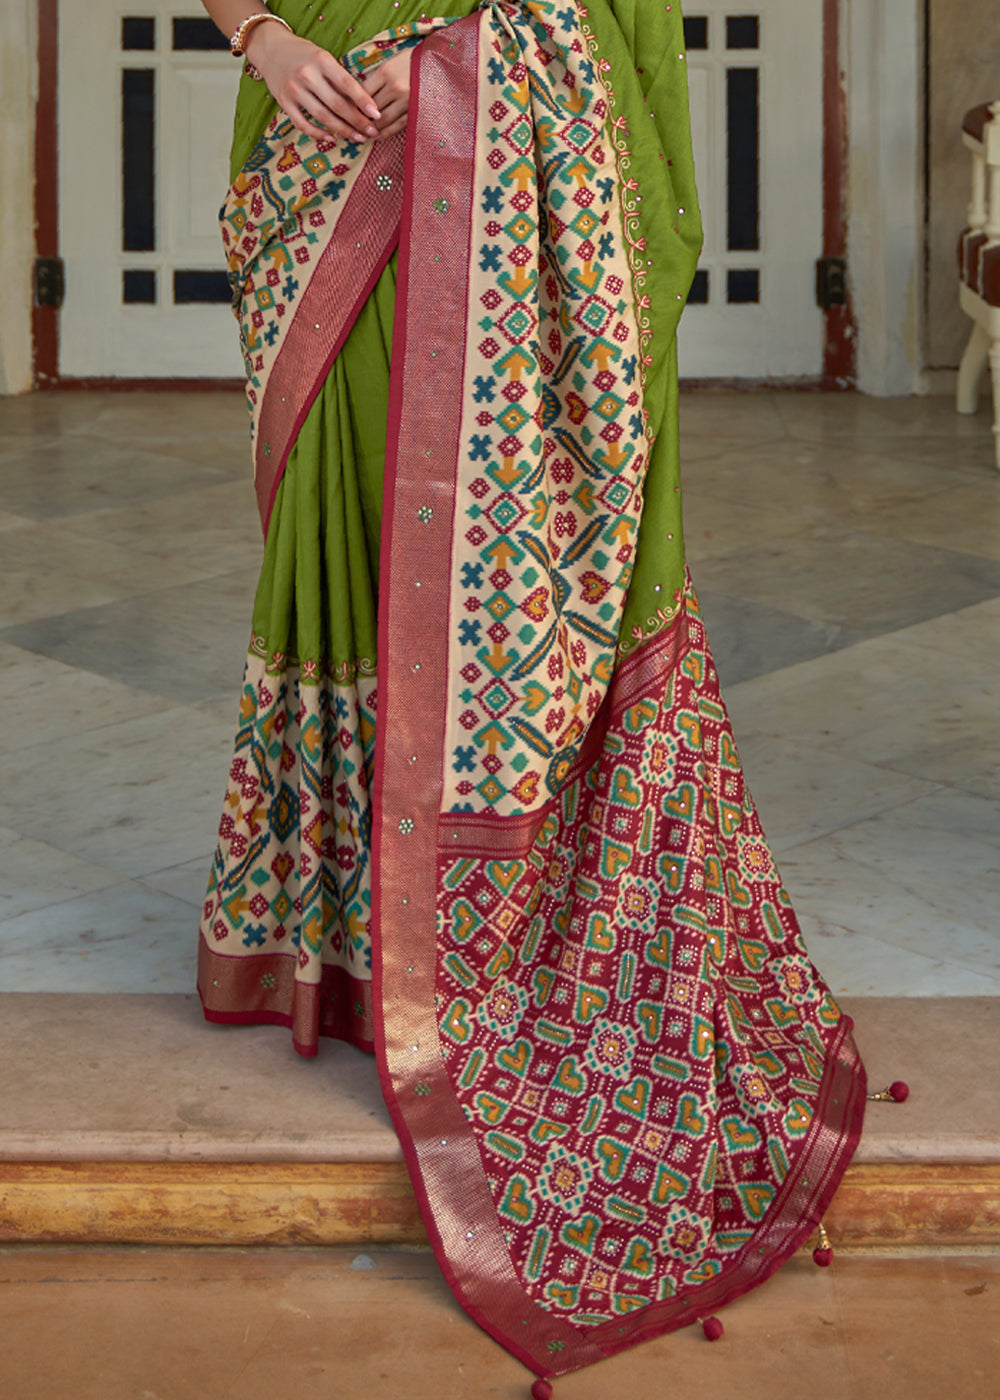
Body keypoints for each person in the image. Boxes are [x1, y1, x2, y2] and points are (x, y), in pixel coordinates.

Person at [197, 2, 868, 1390]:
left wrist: (462, 64)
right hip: (324, 148)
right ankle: (335, 931)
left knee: (499, 551)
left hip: (520, 146)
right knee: (348, 520)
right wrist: (261, 36)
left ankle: (491, 931)